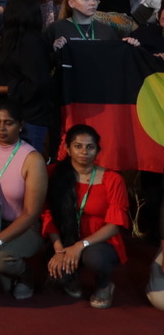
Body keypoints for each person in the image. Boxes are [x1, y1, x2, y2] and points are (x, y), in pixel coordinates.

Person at [43, 124, 130, 308]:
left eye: (90, 147)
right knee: (55, 274)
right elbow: (48, 214)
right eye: (78, 146)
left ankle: (104, 284)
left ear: (97, 150)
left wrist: (80, 245)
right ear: (67, 148)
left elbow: (114, 225)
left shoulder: (112, 180)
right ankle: (72, 276)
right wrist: (59, 249)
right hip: (66, 237)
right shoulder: (54, 174)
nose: (84, 152)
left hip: (100, 242)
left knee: (95, 259)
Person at [0, 98, 48, 300]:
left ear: (20, 125)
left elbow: (32, 214)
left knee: (0, 260)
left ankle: (25, 275)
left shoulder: (32, 160)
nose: (1, 128)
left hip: (22, 227)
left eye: (9, 123)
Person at [0, 0, 54, 153]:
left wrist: (0, 89)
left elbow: (37, 83)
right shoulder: (12, 40)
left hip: (29, 120)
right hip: (10, 117)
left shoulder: (31, 43)